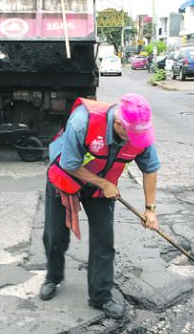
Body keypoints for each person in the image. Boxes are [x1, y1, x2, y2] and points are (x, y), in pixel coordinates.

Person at [40, 93, 160, 319]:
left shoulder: (139, 134)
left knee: (104, 241)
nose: (137, 140)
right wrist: (103, 182)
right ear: (117, 124)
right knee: (55, 235)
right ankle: (53, 278)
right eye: (132, 135)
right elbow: (69, 163)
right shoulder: (82, 122)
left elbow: (150, 168)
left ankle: (101, 296)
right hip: (66, 176)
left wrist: (150, 209)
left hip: (100, 188)